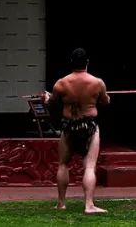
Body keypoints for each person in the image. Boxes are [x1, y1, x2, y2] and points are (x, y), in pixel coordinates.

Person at [44, 47, 110, 214]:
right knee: (89, 166)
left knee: (63, 164)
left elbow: (51, 104)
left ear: (72, 63)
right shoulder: (97, 82)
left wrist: (46, 98)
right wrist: (105, 96)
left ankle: (61, 203)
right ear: (87, 63)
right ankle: (88, 205)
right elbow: (105, 101)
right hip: (89, 126)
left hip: (69, 125)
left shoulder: (61, 83)